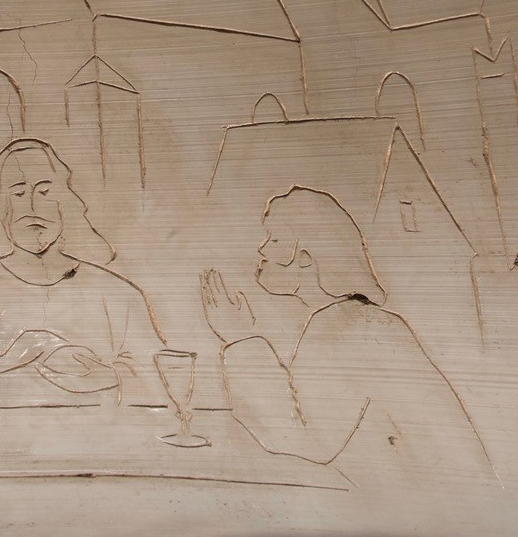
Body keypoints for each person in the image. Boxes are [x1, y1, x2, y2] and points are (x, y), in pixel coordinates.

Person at [199, 186, 495, 486]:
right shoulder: (357, 319)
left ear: (305, 258)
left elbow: (305, 438)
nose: (261, 249)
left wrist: (240, 338)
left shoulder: (348, 327)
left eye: (274, 240)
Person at [0, 138, 167, 407]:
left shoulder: (116, 292)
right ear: (1, 207)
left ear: (64, 202)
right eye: (18, 194)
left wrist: (102, 375)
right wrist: (9, 360)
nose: (32, 206)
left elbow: (161, 382)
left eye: (45, 191)